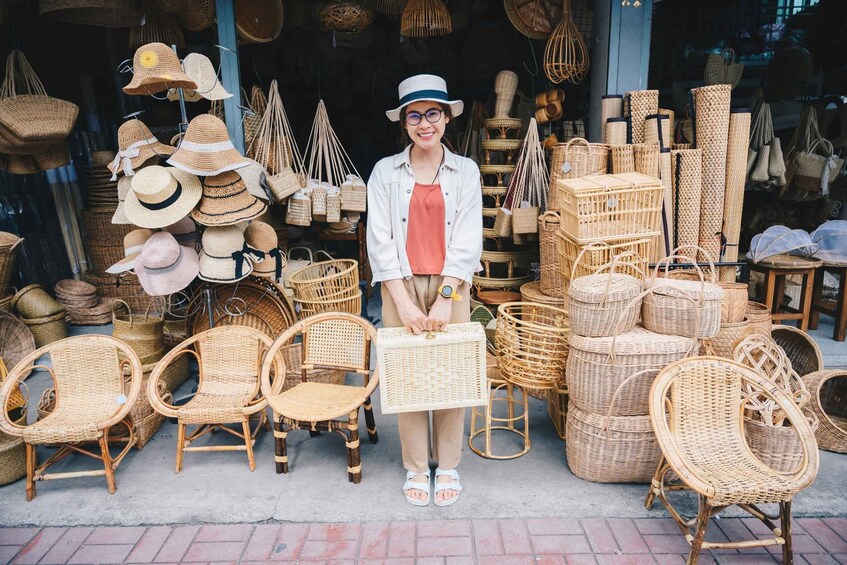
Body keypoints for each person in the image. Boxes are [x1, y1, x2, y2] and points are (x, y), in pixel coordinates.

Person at [367, 74, 482, 507]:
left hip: (452, 283)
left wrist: (447, 297)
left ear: (447, 117)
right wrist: (402, 302)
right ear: (404, 123)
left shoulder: (465, 171)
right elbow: (379, 241)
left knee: (451, 374)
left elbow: (468, 238)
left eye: (433, 113)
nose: (424, 123)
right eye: (414, 115)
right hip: (401, 284)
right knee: (408, 375)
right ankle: (417, 467)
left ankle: (447, 463)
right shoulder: (385, 172)